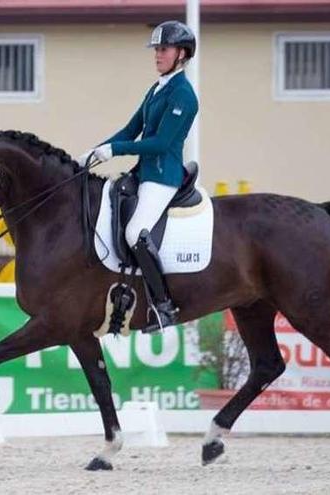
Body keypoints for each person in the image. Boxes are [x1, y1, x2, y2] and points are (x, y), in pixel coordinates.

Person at [77, 20, 200, 333]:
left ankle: (164, 307)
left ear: (182, 54)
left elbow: (160, 143)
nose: (157, 54)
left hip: (163, 176)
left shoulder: (184, 96)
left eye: (164, 49)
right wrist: (98, 150)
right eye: (156, 49)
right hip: (142, 173)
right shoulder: (157, 89)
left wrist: (116, 149)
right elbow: (132, 129)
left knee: (135, 233)